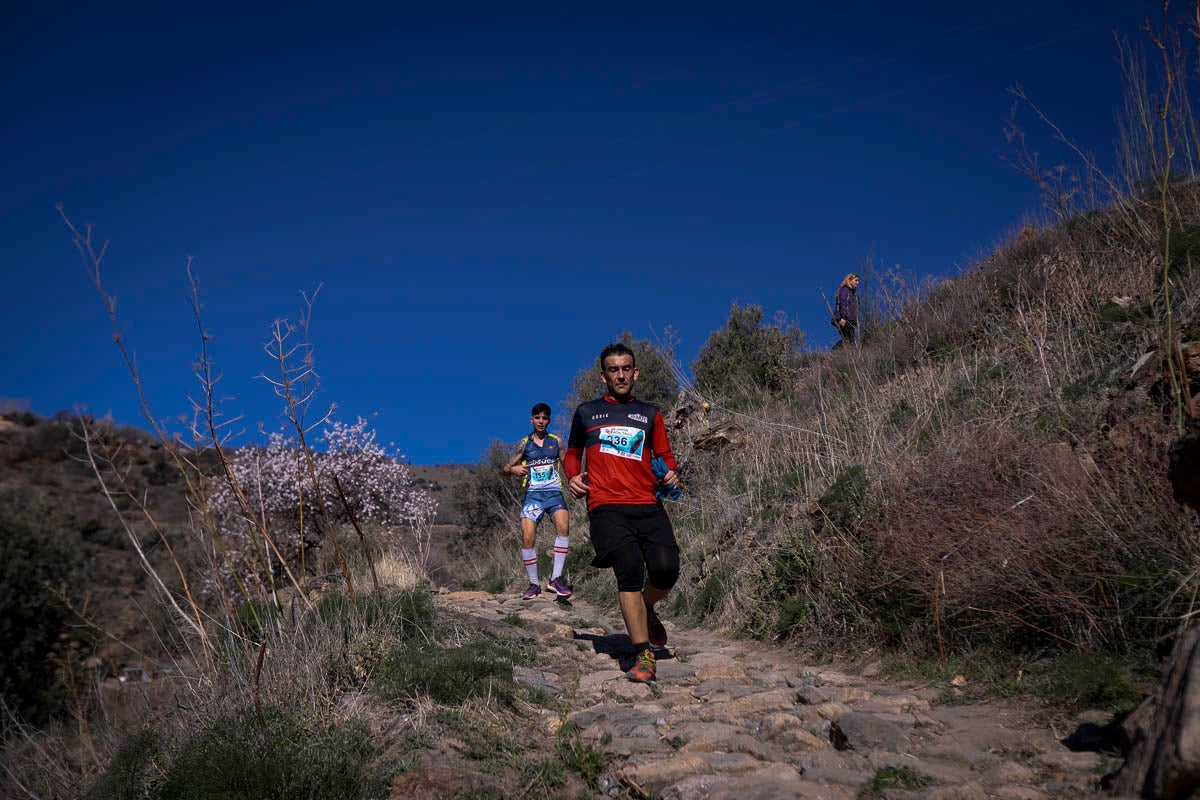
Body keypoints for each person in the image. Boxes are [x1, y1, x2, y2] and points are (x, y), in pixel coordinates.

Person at [565, 343, 680, 683]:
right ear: (603, 376)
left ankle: (644, 607)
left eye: (625, 368)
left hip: (647, 503)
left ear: (635, 372)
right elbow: (572, 453)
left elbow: (665, 454)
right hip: (606, 506)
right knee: (628, 566)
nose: (620, 374)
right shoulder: (587, 412)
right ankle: (642, 651)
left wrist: (671, 472)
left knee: (666, 571)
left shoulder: (650, 413)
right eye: (613, 370)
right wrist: (572, 476)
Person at [503, 403, 573, 600]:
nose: (541, 421)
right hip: (533, 497)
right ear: (531, 419)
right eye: (537, 418)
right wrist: (513, 469)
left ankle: (556, 579)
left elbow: (567, 465)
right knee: (527, 537)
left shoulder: (556, 442)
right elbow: (506, 468)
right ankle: (534, 584)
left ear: (548, 420)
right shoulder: (524, 444)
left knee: (563, 526)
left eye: (544, 418)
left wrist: (575, 480)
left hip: (554, 494)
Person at [835, 272, 860, 347]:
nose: (857, 283)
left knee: (850, 340)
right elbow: (842, 303)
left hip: (851, 320)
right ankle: (835, 351)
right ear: (850, 280)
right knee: (848, 340)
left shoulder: (853, 294)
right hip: (844, 319)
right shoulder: (845, 290)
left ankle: (843, 354)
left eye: (858, 281)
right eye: (856, 280)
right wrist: (843, 317)